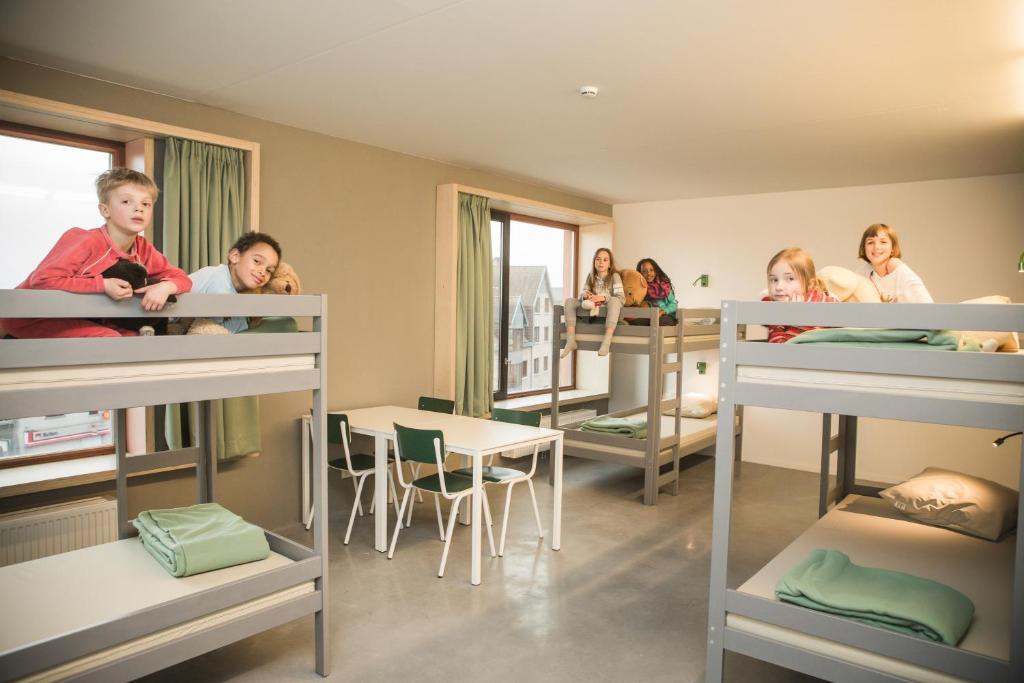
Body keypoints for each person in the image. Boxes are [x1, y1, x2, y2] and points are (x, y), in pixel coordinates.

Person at [2, 168, 191, 338]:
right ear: (105, 210)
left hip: (79, 316)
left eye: (146, 204)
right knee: (108, 339)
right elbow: (42, 280)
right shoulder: (86, 241)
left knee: (133, 339)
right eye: (126, 201)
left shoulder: (143, 248)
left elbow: (182, 278)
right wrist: (102, 285)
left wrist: (167, 287)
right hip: (32, 317)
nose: (138, 208)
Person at [187, 232, 282, 333]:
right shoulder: (218, 277)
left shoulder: (241, 298)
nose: (262, 272)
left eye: (269, 270)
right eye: (257, 261)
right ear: (235, 256)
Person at [761, 247, 839, 343]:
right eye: (774, 280)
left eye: (790, 279)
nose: (778, 287)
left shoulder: (820, 303)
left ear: (810, 284)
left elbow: (784, 348)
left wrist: (798, 316)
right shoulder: (770, 306)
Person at [561, 247, 624, 357]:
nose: (601, 262)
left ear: (610, 264)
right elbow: (583, 293)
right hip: (591, 309)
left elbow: (621, 298)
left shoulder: (615, 276)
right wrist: (585, 296)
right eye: (598, 259)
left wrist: (603, 298)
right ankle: (570, 340)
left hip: (607, 309)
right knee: (570, 301)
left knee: (614, 300)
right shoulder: (591, 277)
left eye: (605, 260)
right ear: (594, 262)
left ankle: (606, 341)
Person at [854, 223, 933, 303]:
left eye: (883, 242)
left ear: (892, 248)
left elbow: (928, 305)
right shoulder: (862, 273)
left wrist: (900, 268)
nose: (876, 247)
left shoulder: (900, 271)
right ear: (864, 248)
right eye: (870, 242)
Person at [636, 257, 678, 325]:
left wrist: (664, 311)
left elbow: (674, 304)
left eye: (651, 270)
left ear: (655, 271)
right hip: (650, 315)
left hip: (666, 314)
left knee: (659, 321)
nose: (648, 273)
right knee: (637, 321)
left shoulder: (664, 286)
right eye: (644, 271)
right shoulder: (640, 288)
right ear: (640, 273)